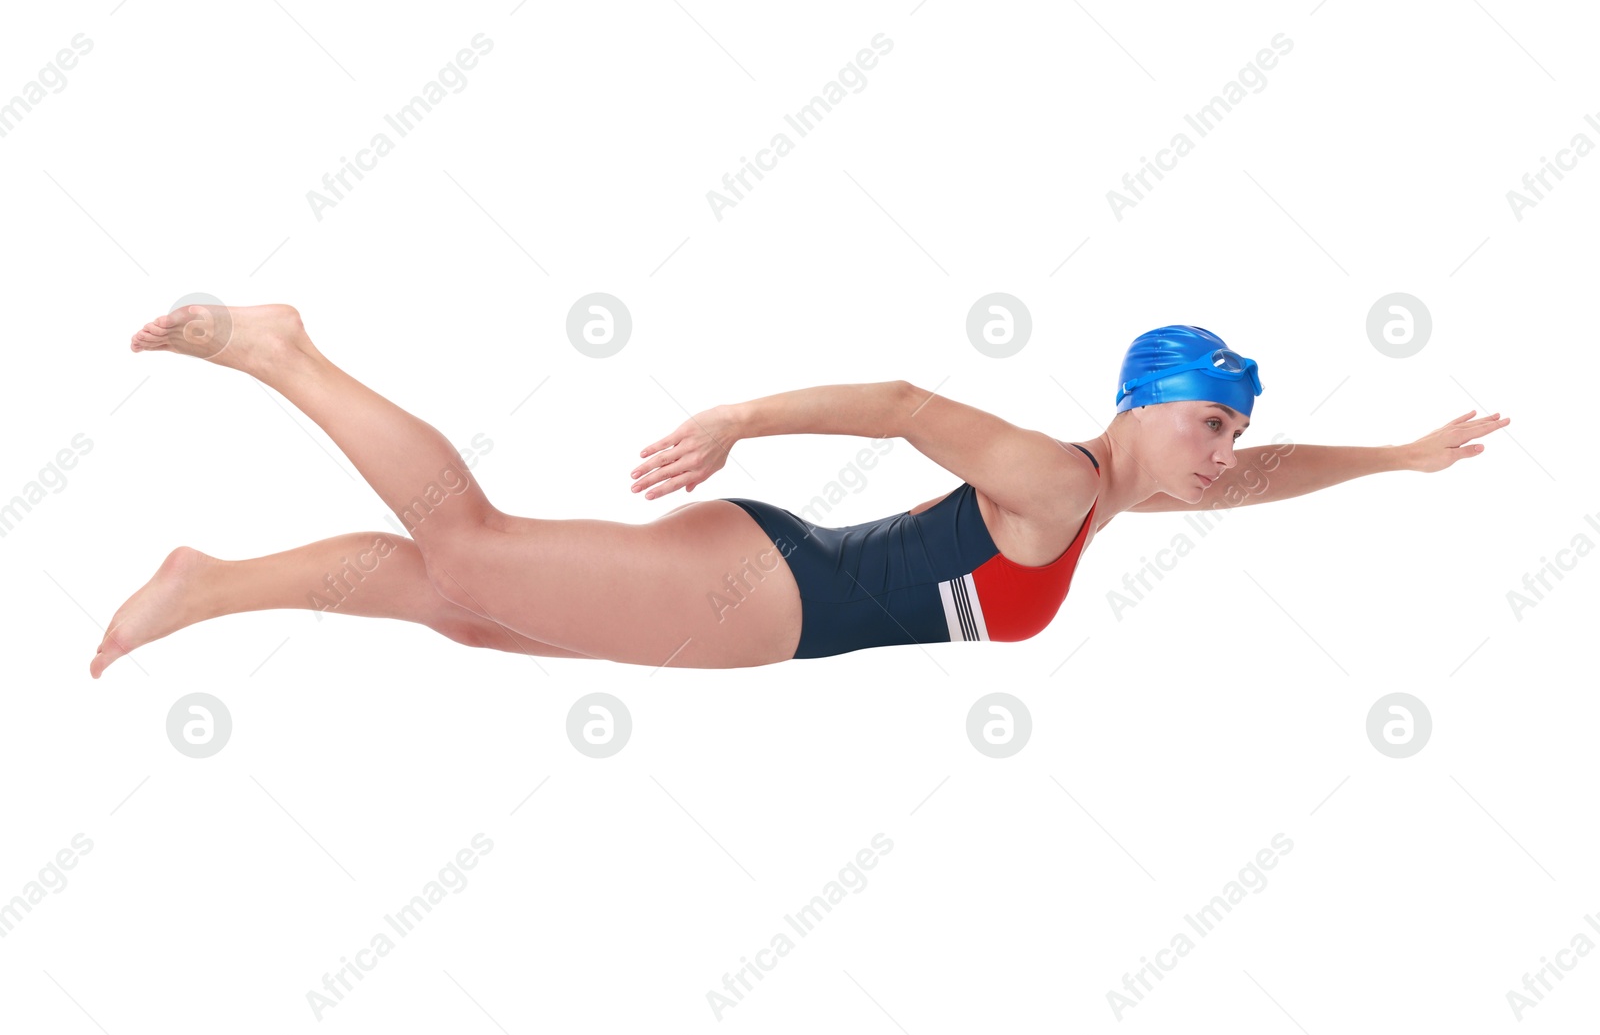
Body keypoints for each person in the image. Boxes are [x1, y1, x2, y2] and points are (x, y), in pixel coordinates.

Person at [89, 311, 1510, 677]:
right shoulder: (1050, 475)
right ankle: (283, 352)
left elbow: (1265, 483)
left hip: (776, 583)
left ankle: (212, 581)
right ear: (1144, 406)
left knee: (473, 614)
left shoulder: (1117, 496)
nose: (1226, 447)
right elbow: (904, 408)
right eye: (1211, 419)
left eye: (1231, 430)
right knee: (471, 547)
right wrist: (741, 423)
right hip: (766, 592)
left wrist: (1395, 456)